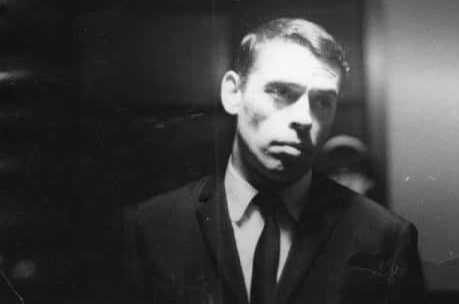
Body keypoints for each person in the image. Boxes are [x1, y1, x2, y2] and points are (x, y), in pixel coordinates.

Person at [122, 18, 425, 304]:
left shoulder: (385, 238)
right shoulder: (151, 227)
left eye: (323, 101)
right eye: (280, 91)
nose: (304, 119)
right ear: (233, 93)